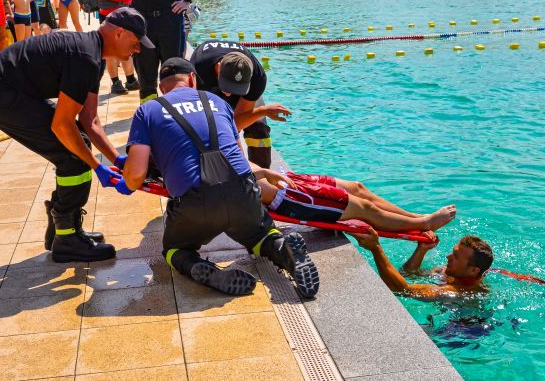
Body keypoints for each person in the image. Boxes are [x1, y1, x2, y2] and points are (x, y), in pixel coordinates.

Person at [110, 57, 320, 298]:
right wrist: (263, 173)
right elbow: (239, 158)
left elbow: (135, 175)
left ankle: (201, 268)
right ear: (191, 79)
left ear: (161, 88)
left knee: (174, 249)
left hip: (194, 201)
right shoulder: (216, 101)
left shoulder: (148, 110)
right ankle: (283, 250)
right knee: (262, 235)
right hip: (241, 191)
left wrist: (126, 180)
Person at [0, 7, 153, 263]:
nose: (136, 51)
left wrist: (116, 160)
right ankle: (67, 239)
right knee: (73, 156)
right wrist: (96, 167)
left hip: (5, 88)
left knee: (78, 146)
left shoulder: (95, 57)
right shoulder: (85, 57)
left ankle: (64, 230)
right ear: (120, 33)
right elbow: (62, 125)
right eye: (135, 44)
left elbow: (89, 121)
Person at [190, 40, 290, 168]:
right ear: (219, 67)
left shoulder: (258, 77)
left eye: (235, 88)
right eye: (227, 86)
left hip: (240, 90)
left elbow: (235, 124)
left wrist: (262, 111)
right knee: (205, 129)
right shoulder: (199, 67)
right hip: (209, 87)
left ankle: (261, 174)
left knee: (258, 126)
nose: (229, 94)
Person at [256, 170, 456, 233]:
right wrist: (262, 172)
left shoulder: (223, 108)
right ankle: (424, 223)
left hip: (284, 178)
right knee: (365, 209)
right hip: (286, 195)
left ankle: (413, 216)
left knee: (357, 187)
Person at [353, 228, 493, 302]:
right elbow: (408, 274)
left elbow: (402, 289)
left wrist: (376, 248)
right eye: (452, 253)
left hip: (461, 335)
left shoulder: (454, 292)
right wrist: (421, 250)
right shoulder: (448, 272)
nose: (448, 257)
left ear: (474, 270)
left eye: (456, 257)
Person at [93, 0, 139, 95]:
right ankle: (115, 83)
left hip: (124, 12)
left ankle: (131, 80)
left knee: (128, 46)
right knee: (111, 50)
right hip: (109, 16)